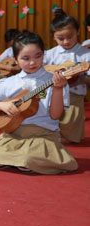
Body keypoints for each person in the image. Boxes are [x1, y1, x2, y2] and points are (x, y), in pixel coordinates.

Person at [0, 31, 77, 173]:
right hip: (14, 134)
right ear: (15, 59)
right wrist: (2, 105)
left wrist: (57, 89)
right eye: (25, 58)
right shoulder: (7, 83)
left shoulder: (54, 80)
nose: (33, 62)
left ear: (44, 54)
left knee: (27, 159)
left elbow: (56, 115)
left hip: (43, 134)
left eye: (38, 56)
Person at [44, 10, 90, 143]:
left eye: (70, 36)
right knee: (47, 114)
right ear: (53, 37)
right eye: (61, 38)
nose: (66, 41)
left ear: (78, 32)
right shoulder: (50, 54)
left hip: (74, 94)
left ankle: (66, 137)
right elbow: (42, 72)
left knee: (71, 119)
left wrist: (82, 76)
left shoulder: (86, 54)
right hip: (52, 93)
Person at [0, 29, 22, 95]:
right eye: (9, 41)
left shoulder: (25, 49)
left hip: (21, 76)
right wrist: (8, 68)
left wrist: (17, 68)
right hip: (8, 75)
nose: (10, 43)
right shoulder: (9, 50)